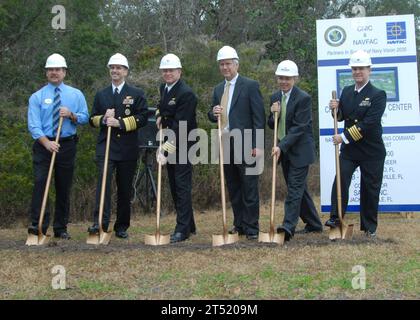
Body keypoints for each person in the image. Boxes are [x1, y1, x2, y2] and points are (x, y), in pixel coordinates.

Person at [325, 50, 386, 238]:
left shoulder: (378, 94)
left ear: (369, 70)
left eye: (361, 68)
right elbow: (342, 117)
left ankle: (369, 228)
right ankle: (336, 218)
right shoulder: (346, 91)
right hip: (351, 150)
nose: (357, 72)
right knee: (341, 179)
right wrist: (334, 109)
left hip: (371, 150)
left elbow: (368, 124)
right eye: (354, 69)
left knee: (369, 189)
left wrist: (343, 137)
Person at [27, 53, 89, 239]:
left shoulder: (76, 94)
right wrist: (47, 143)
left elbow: (85, 117)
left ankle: (61, 228)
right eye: (51, 70)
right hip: (44, 145)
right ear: (46, 72)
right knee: (40, 184)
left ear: (64, 72)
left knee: (63, 186)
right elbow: (33, 125)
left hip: (66, 145)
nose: (54, 72)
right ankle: (38, 226)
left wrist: (71, 114)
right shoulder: (37, 97)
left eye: (58, 69)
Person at [88, 53, 148, 239]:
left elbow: (143, 117)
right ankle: (100, 223)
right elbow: (92, 119)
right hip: (105, 146)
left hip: (127, 148)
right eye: (112, 67)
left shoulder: (137, 94)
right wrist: (104, 119)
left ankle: (121, 226)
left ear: (126, 71)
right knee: (103, 185)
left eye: (119, 68)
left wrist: (120, 123)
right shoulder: (101, 94)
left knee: (124, 188)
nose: (115, 70)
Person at [208, 46, 265, 240]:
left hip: (247, 142)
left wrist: (257, 145)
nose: (225, 67)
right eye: (222, 64)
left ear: (236, 64)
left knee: (249, 186)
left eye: (228, 64)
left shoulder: (250, 85)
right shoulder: (217, 89)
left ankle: (251, 227)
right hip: (225, 143)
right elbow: (212, 115)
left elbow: (259, 117)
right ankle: (239, 223)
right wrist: (212, 112)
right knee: (233, 186)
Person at [269, 60, 323, 242]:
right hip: (284, 151)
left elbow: (300, 128)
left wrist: (280, 146)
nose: (284, 81)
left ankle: (288, 226)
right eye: (281, 78)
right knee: (300, 190)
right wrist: (272, 113)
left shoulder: (303, 98)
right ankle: (314, 223)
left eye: (287, 78)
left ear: (295, 79)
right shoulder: (275, 97)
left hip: (300, 151)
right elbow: (272, 124)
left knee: (294, 189)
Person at [155, 53, 198, 243]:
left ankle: (182, 230)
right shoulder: (164, 88)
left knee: (181, 187)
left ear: (179, 71)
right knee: (174, 186)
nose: (167, 73)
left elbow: (180, 127)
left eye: (171, 70)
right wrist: (158, 115)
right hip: (171, 141)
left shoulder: (186, 94)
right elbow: (162, 108)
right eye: (164, 70)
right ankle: (190, 224)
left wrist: (165, 151)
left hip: (184, 145)